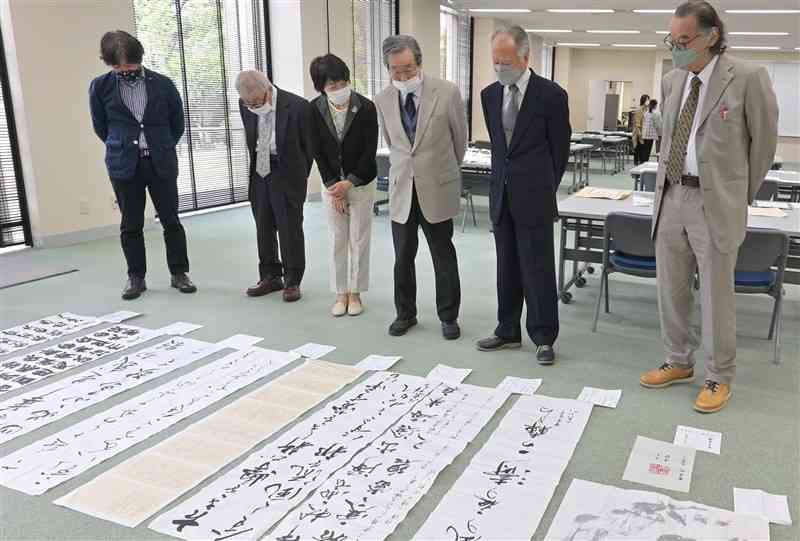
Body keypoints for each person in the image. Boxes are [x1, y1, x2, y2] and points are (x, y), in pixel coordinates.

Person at [640, 1, 778, 413]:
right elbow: (667, 141)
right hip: (671, 197)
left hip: (714, 201)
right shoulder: (671, 80)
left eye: (685, 40)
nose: (677, 48)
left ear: (712, 35)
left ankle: (718, 376)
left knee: (717, 295)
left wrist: (739, 194)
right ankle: (678, 360)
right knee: (671, 287)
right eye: (673, 40)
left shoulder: (748, 78)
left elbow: (764, 146)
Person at [476, 25, 571, 365]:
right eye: (495, 61)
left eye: (506, 61)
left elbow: (559, 152)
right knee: (507, 267)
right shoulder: (489, 95)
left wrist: (543, 186)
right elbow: (500, 150)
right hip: (501, 195)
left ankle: (544, 336)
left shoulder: (551, 96)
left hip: (535, 196)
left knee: (538, 268)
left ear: (525, 57)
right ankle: (507, 330)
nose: (500, 67)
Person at [89, 31, 196, 300]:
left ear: (140, 58)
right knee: (131, 223)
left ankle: (179, 273)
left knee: (171, 220)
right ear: (109, 63)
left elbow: (177, 124)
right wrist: (124, 144)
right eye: (119, 66)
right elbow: (101, 127)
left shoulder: (163, 84)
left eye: (130, 65)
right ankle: (136, 277)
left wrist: (159, 144)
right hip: (124, 163)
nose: (126, 70)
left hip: (161, 160)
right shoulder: (99, 87)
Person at [374, 35, 467, 339]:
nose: (402, 76)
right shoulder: (383, 99)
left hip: (437, 187)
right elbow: (393, 143)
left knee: (443, 255)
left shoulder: (447, 92)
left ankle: (448, 316)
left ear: (419, 62)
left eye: (408, 68)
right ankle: (405, 313)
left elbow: (459, 142)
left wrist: (439, 172)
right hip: (402, 189)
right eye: (395, 71)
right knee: (403, 256)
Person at [308, 54, 379, 317]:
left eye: (341, 83)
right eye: (331, 86)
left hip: (360, 182)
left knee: (359, 238)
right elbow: (317, 150)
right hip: (332, 185)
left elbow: (368, 151)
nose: (338, 89)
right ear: (321, 88)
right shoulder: (314, 109)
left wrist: (349, 182)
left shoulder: (367, 107)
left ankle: (355, 293)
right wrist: (333, 186)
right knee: (338, 239)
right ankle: (340, 292)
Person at [235, 70, 314, 302]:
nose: (252, 106)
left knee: (289, 227)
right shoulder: (245, 105)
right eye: (248, 103)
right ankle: (270, 276)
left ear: (268, 89)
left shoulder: (298, 106)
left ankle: (292, 280)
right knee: (263, 224)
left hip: (286, 171)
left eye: (257, 102)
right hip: (259, 171)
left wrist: (298, 177)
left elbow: (308, 148)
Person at [641, 99, 662, 163]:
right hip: (651, 135)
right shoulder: (657, 113)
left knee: (645, 150)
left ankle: (643, 162)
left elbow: (644, 123)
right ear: (655, 105)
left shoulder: (646, 113)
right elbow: (657, 125)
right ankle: (645, 163)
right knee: (648, 150)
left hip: (645, 134)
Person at [632, 94, 650, 165]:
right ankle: (637, 166)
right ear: (644, 100)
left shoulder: (647, 110)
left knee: (644, 153)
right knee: (638, 151)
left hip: (645, 133)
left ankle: (642, 165)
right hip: (639, 134)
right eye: (647, 100)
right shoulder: (639, 110)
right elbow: (637, 124)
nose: (648, 102)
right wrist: (640, 134)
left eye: (648, 100)